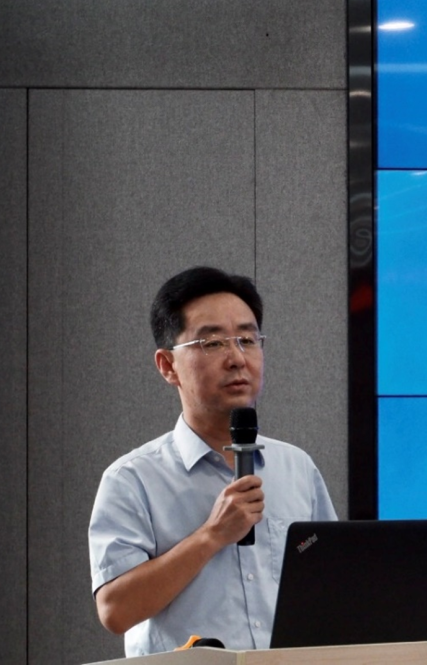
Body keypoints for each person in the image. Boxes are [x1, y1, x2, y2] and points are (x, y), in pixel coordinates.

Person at [88, 266, 337, 656]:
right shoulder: (133, 479)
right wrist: (211, 535)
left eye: (247, 340)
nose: (237, 358)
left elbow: (332, 587)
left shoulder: (296, 468)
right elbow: (115, 611)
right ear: (167, 366)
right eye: (213, 343)